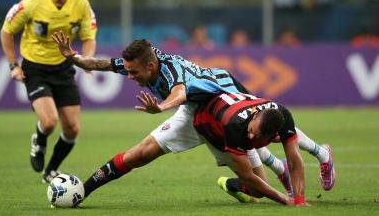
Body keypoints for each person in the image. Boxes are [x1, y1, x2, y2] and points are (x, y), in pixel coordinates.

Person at [51, 33, 286, 200]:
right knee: (140, 154)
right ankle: (83, 190)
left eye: (133, 73)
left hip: (224, 117)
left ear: (151, 66)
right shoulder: (139, 63)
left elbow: (180, 92)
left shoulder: (172, 70)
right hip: (194, 113)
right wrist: (72, 56)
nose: (130, 76)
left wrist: (161, 108)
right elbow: (99, 64)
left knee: (257, 190)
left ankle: (237, 181)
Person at [0, 0, 97, 183]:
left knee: (72, 128)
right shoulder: (31, 4)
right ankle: (39, 140)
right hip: (35, 69)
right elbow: (6, 32)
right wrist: (13, 65)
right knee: (50, 121)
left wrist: (86, 59)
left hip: (64, 69)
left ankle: (51, 170)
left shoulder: (81, 4)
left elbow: (88, 37)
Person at [193, 92, 334, 206]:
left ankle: (317, 156)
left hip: (235, 114)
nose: (250, 135)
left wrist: (299, 200)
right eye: (251, 129)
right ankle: (286, 164)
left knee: (259, 189)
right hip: (204, 126)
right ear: (254, 117)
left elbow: (294, 158)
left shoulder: (281, 116)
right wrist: (284, 200)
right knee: (256, 187)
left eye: (256, 134)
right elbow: (247, 176)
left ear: (272, 137)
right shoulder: (235, 126)